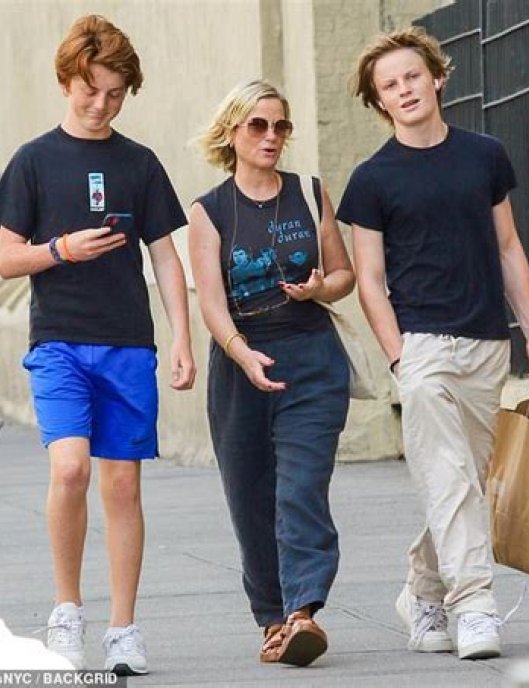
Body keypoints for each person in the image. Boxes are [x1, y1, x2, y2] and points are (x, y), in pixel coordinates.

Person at [337, 27, 529, 661]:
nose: (403, 90)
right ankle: (475, 605)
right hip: (422, 347)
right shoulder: (371, 179)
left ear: (436, 77)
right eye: (389, 85)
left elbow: (508, 248)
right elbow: (370, 281)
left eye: (412, 76)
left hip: (486, 345)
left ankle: (421, 590)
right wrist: (399, 356)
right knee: (450, 477)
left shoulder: (485, 156)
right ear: (379, 102)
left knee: (464, 482)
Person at [0, 14, 195, 675]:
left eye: (115, 94)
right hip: (59, 342)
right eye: (90, 90)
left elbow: (166, 256)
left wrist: (182, 338)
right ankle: (66, 610)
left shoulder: (140, 163)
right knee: (70, 468)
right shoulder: (34, 160)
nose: (101, 104)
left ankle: (123, 628)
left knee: (122, 484)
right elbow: (5, 259)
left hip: (127, 341)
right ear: (66, 81)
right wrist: (61, 249)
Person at [188, 80, 354, 667]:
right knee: (250, 496)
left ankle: (303, 611)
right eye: (258, 125)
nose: (271, 136)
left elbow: (344, 275)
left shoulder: (309, 192)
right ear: (232, 133)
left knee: (301, 487)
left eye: (280, 126)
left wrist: (320, 288)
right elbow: (211, 303)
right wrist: (242, 353)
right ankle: (273, 619)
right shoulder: (209, 211)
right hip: (241, 364)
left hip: (311, 357)